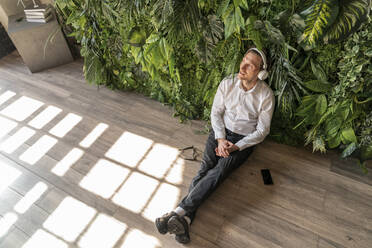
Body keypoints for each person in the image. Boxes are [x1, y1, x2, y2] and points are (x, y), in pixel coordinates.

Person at [155, 47, 275, 244]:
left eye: (250, 65)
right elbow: (215, 113)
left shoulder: (266, 95)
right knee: (204, 169)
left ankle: (176, 214)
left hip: (242, 142)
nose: (243, 66)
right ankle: (183, 218)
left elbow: (262, 131)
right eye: (243, 59)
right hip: (220, 133)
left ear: (260, 73)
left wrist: (235, 147)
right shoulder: (227, 84)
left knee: (220, 170)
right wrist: (220, 139)